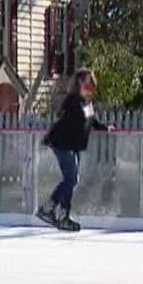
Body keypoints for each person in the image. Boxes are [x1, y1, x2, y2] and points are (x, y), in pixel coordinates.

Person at [38, 69, 110, 233]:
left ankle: (56, 212)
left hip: (73, 144)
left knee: (72, 179)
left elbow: (91, 121)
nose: (89, 86)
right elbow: (70, 116)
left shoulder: (87, 103)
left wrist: (106, 127)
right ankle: (53, 211)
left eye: (91, 84)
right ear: (78, 84)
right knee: (71, 178)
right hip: (62, 143)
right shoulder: (73, 100)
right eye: (85, 83)